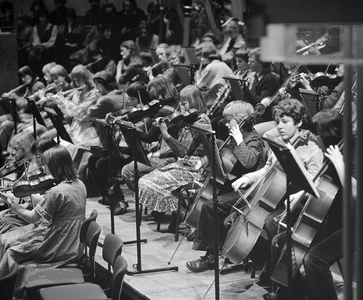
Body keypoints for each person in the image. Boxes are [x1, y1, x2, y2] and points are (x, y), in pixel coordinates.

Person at [231, 98, 324, 287]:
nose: (280, 126)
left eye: (285, 121)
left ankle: (281, 277)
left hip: (301, 205)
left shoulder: (312, 150)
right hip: (278, 198)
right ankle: (268, 264)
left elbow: (316, 186)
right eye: (277, 121)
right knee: (239, 218)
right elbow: (267, 170)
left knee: (270, 222)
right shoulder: (279, 144)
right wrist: (248, 178)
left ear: (298, 122)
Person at [269, 109, 354, 300]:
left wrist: (340, 164)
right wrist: (301, 193)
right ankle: (292, 294)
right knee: (282, 241)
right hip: (333, 217)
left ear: (328, 134)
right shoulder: (331, 151)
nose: (313, 138)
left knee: (314, 259)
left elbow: (355, 191)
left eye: (317, 134)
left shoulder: (350, 153)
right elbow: (323, 183)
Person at [186, 100, 265, 273]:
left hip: (248, 190)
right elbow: (222, 152)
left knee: (211, 205)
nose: (226, 123)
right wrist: (206, 160)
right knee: (202, 194)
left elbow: (249, 162)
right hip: (234, 183)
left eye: (230, 120)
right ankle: (205, 235)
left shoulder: (254, 139)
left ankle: (211, 256)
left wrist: (238, 141)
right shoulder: (237, 136)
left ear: (241, 120)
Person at [0, 145, 87, 299]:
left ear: (54, 166)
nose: (43, 168)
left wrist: (13, 205)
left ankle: (8, 293)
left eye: (45, 164)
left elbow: (32, 217)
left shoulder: (56, 192)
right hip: (73, 242)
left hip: (57, 242)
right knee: (10, 244)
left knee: (11, 251)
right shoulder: (80, 184)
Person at [138, 85, 211, 231]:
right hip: (183, 164)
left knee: (151, 182)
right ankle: (180, 212)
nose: (181, 107)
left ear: (194, 101)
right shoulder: (187, 120)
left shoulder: (201, 122)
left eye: (184, 102)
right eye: (180, 102)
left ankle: (183, 214)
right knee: (144, 180)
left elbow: (183, 152)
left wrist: (166, 134)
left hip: (195, 168)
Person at [88, 81, 151, 215]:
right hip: (126, 149)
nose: (129, 101)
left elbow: (142, 135)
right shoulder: (130, 112)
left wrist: (124, 125)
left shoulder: (146, 116)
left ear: (141, 98)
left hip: (139, 152)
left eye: (132, 98)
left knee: (104, 164)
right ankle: (107, 195)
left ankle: (119, 200)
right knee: (93, 159)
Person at [121, 76, 180, 190]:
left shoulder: (163, 111)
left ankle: (151, 200)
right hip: (175, 152)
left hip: (169, 157)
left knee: (127, 171)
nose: (152, 97)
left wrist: (132, 128)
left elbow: (149, 137)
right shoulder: (177, 104)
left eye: (153, 93)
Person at [0, 136, 57, 234]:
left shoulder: (53, 179)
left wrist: (10, 201)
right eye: (34, 155)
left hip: (43, 223)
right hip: (34, 213)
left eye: (38, 156)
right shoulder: (37, 168)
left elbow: (37, 212)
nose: (12, 153)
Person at [242, 48, 280, 124]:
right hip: (255, 113)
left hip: (265, 116)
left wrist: (247, 88)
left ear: (261, 63)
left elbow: (261, 103)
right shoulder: (257, 76)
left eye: (252, 62)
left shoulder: (270, 78)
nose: (248, 63)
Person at [194, 41, 233, 108]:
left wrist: (198, 74)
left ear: (206, 54)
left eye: (200, 55)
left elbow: (198, 86)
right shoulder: (223, 64)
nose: (199, 58)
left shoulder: (211, 66)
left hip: (219, 103)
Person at [28, 10, 58, 76]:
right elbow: (35, 40)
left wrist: (43, 46)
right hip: (38, 49)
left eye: (43, 17)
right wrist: (40, 46)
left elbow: (52, 41)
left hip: (49, 49)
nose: (41, 19)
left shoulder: (54, 27)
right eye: (40, 17)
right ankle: (36, 74)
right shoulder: (36, 28)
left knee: (43, 54)